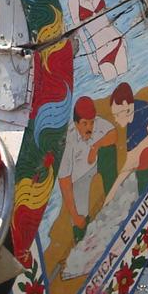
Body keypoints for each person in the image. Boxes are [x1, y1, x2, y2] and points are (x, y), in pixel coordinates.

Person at [57, 96, 114, 242]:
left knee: (108, 150)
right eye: (84, 123)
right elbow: (64, 181)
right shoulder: (67, 142)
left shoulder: (95, 123)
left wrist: (96, 147)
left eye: (91, 122)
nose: (89, 127)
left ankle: (113, 194)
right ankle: (83, 243)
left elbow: (113, 135)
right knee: (79, 221)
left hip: (95, 165)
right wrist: (75, 215)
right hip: (78, 179)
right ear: (76, 123)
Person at [67, 0, 128, 80]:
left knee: (126, 83)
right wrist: (92, 61)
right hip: (101, 53)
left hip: (117, 42)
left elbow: (107, 20)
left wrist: (122, 35)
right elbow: (81, 34)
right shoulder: (74, 1)